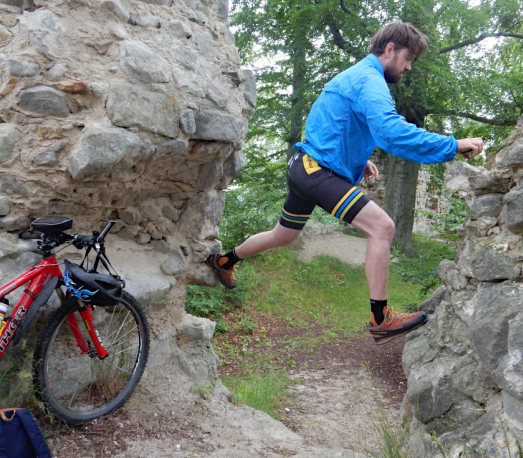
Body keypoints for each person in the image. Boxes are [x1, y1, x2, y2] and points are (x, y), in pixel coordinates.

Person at [206, 21, 483, 345]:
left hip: (304, 166)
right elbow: (391, 132)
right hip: (314, 171)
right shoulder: (370, 79)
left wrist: (359, 159)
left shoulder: (358, 77)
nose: (408, 67)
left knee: (282, 235)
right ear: (390, 49)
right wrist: (452, 145)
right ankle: (380, 318)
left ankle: (224, 261)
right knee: (382, 227)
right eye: (408, 58)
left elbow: (331, 119)